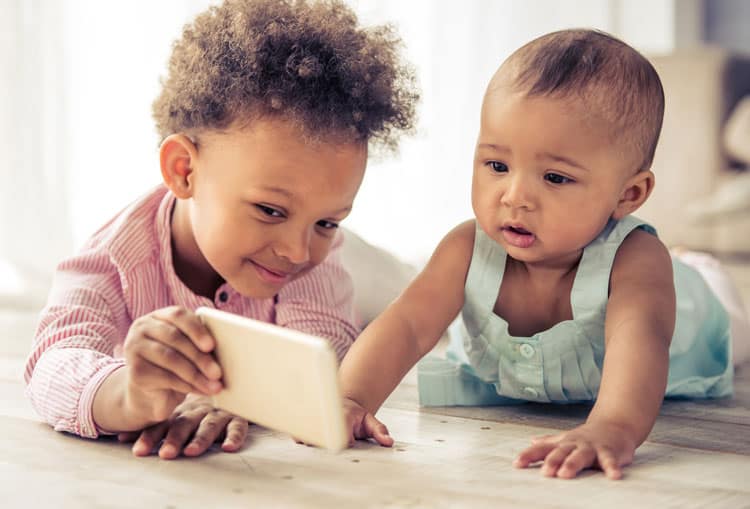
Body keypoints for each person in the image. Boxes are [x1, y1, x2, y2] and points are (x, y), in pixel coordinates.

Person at [338, 29, 749, 480]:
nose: (514, 197)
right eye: (497, 166)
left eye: (554, 177)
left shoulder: (635, 258)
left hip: (689, 319)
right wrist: (351, 399)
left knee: (734, 328)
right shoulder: (466, 248)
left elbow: (641, 340)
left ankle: (700, 267)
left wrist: (612, 426)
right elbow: (409, 326)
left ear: (628, 194)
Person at [24, 0, 418, 460]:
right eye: (270, 210)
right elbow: (52, 364)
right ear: (184, 170)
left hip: (367, 275)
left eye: (328, 221)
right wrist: (128, 394)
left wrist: (236, 397)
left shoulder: (318, 255)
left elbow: (325, 357)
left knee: (403, 289)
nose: (296, 250)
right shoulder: (112, 256)